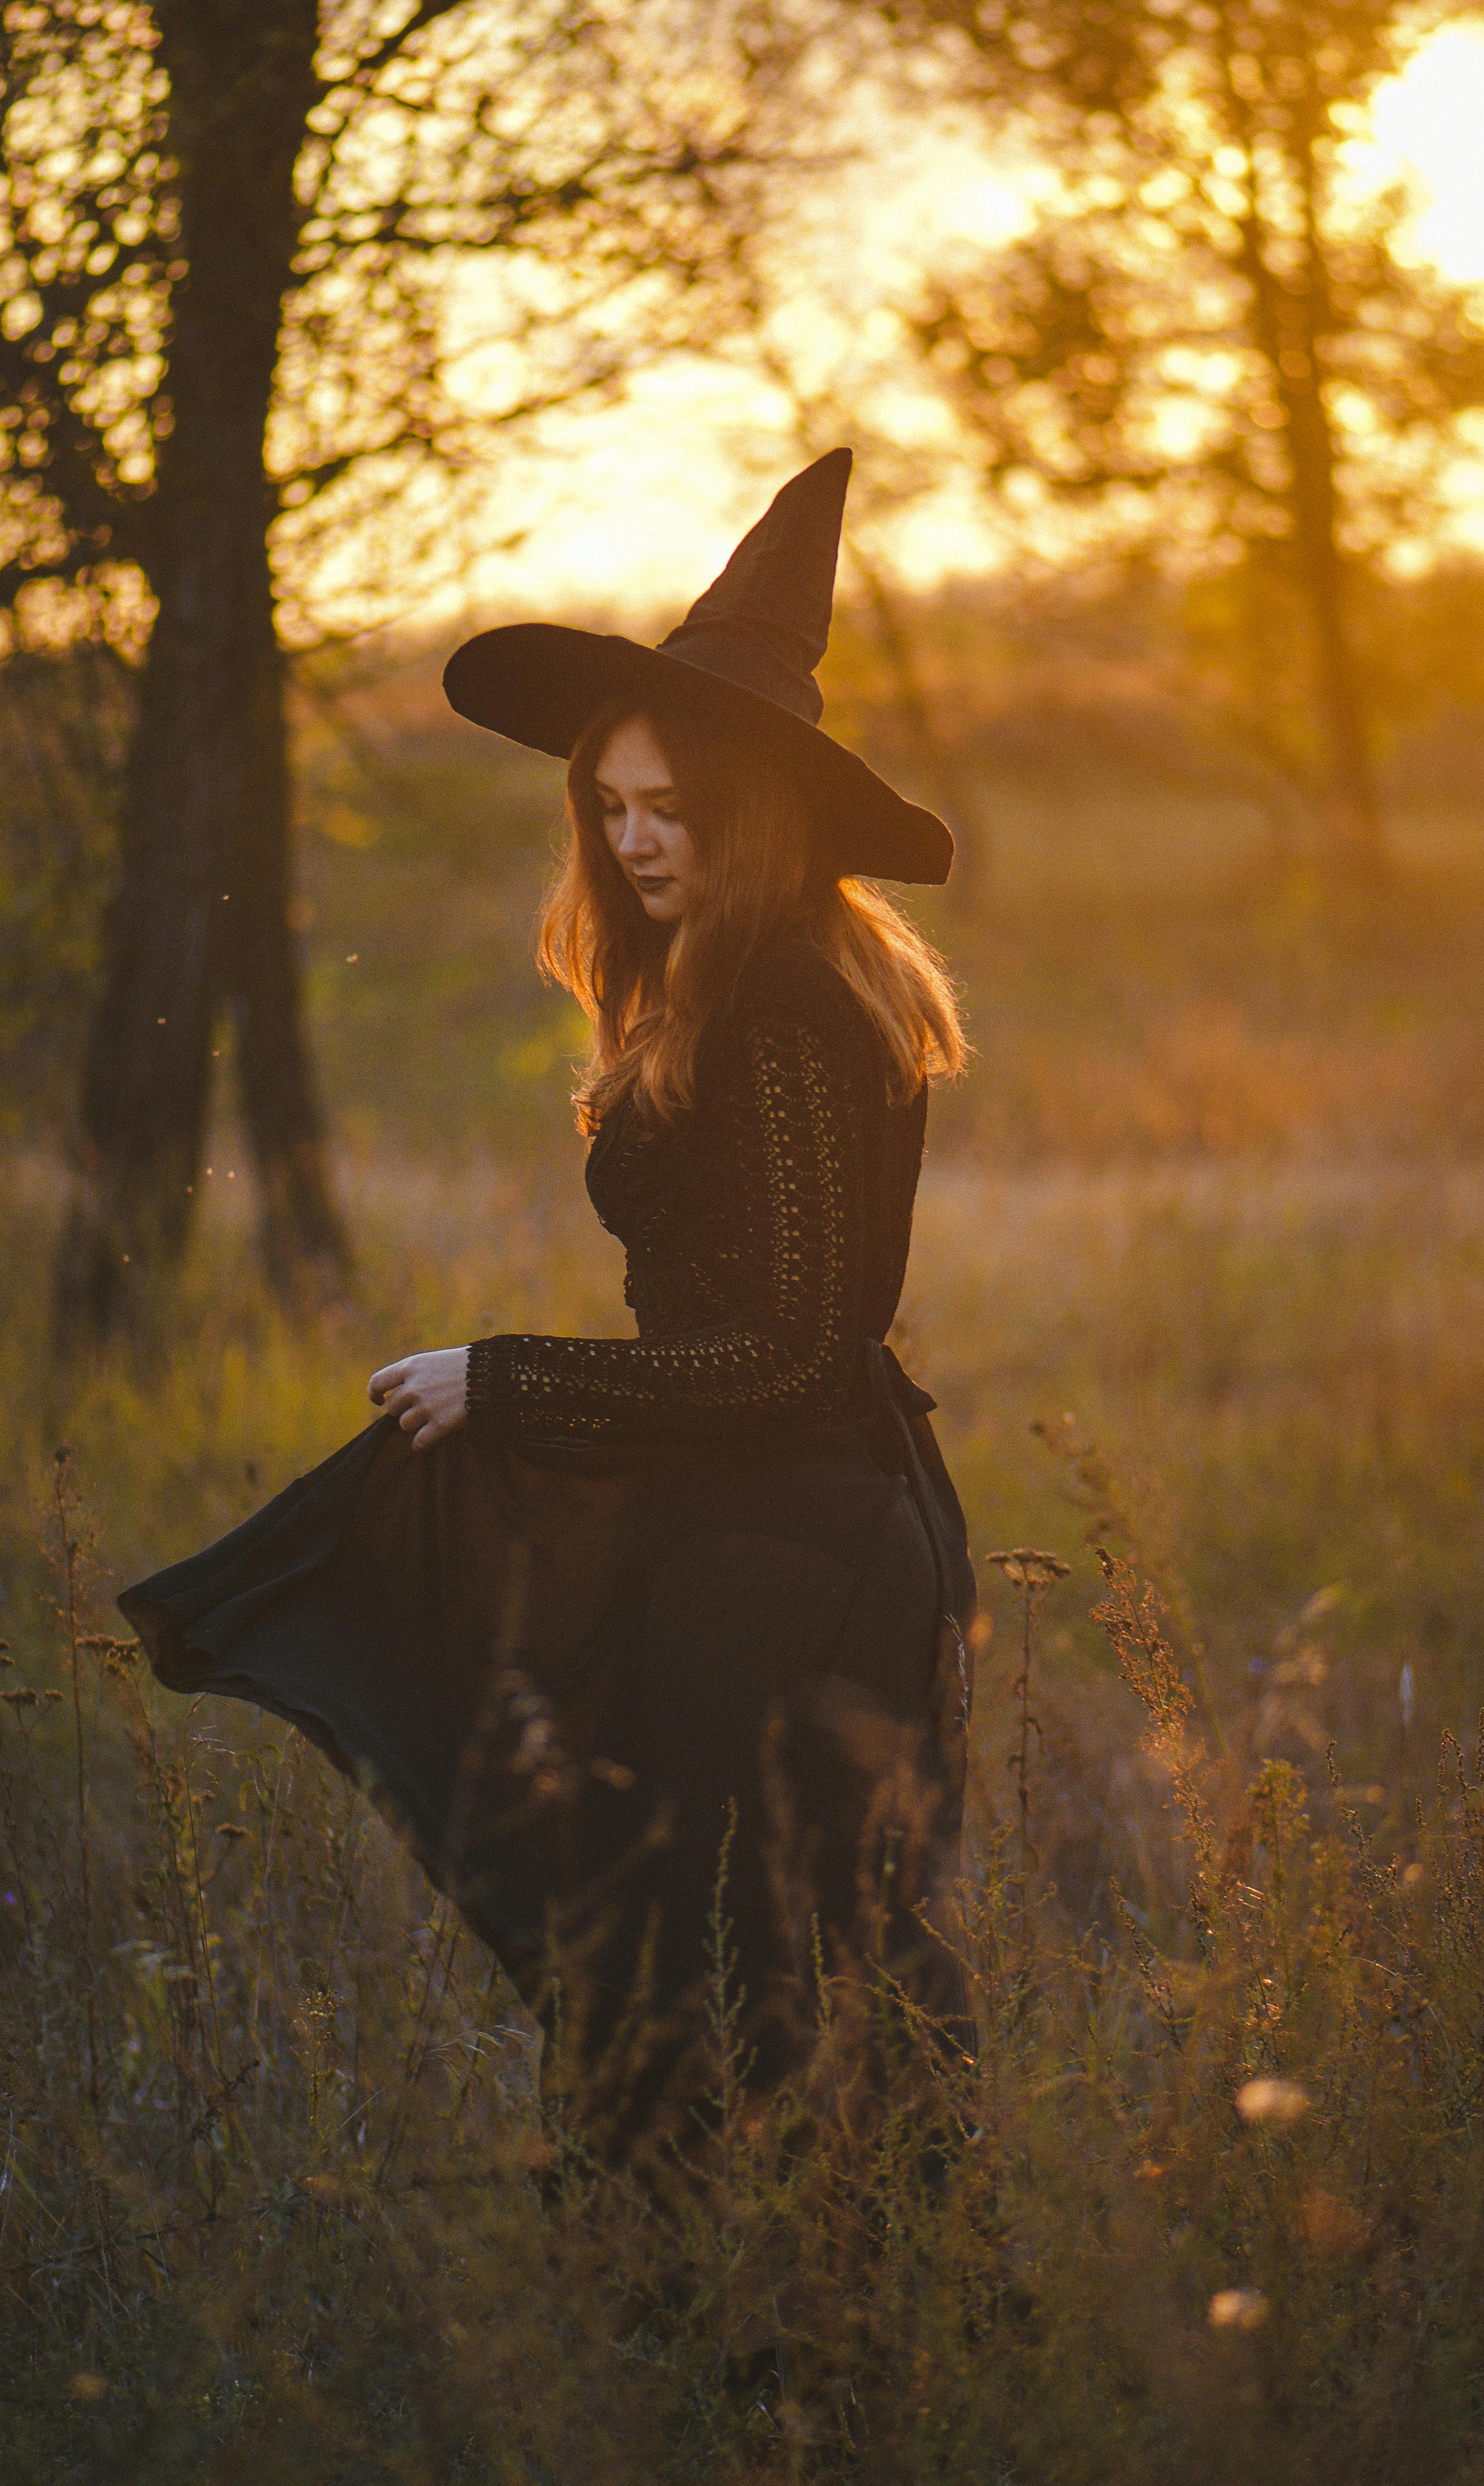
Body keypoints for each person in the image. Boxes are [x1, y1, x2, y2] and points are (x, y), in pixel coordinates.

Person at [120, 449, 977, 2182]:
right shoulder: (739, 990)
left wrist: (499, 1381)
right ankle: (738, 2337)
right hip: (755, 1534)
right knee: (731, 1971)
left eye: (673, 809)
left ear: (760, 810)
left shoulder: (789, 1010)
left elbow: (795, 1353)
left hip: (801, 1556)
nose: (637, 840)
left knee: (757, 1975)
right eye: (613, 809)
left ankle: (837, 2346)